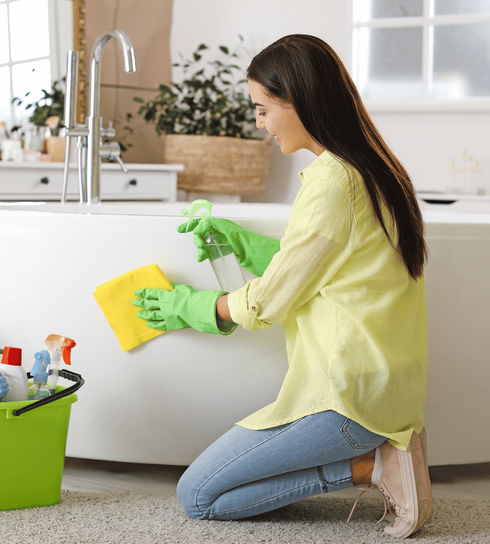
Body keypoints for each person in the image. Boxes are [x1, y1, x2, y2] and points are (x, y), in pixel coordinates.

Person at [132, 34, 430, 538]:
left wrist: (191, 306)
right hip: (386, 391)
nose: (259, 123)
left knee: (198, 497)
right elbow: (331, 270)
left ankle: (372, 468)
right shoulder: (373, 169)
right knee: (210, 490)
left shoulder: (332, 183)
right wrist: (247, 245)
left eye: (262, 108)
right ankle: (381, 459)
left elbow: (269, 302)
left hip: (344, 400)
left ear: (301, 101)